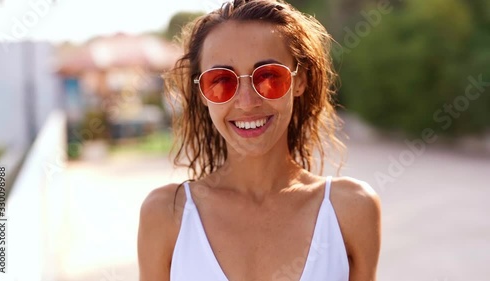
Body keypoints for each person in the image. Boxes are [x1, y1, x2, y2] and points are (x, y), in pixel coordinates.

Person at [138, 0, 381, 280]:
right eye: (221, 81)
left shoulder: (350, 209)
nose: (247, 102)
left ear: (299, 81)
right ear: (203, 93)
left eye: (268, 76)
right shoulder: (166, 215)